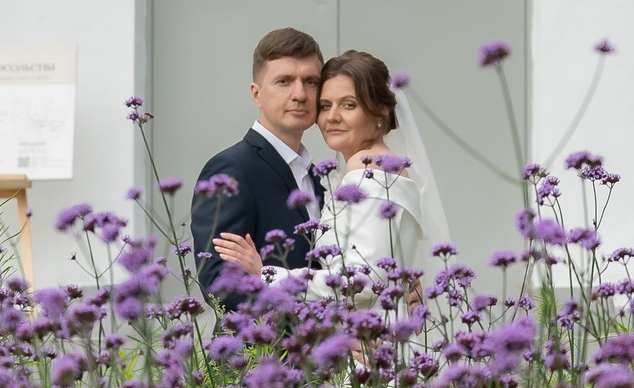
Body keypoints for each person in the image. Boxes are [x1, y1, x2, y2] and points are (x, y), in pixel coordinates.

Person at [211, 49, 444, 298]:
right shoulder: (343, 175)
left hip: (368, 332)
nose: (333, 117)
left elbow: (366, 279)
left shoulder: (372, 173)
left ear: (380, 110)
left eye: (348, 105)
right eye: (325, 106)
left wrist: (267, 275)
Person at [190, 28, 328, 297]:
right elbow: (220, 284)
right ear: (256, 94)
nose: (300, 94)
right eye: (284, 81)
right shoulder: (230, 170)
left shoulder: (319, 177)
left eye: (311, 81)